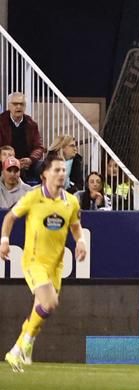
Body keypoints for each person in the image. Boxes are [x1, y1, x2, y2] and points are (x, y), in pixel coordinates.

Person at [0, 153, 86, 373]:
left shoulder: (71, 201)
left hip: (56, 265)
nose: (61, 174)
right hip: (34, 261)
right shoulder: (33, 197)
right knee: (49, 303)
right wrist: (4, 241)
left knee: (39, 312)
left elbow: (75, 226)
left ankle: (18, 348)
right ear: (44, 174)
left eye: (63, 170)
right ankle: (23, 345)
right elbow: (10, 217)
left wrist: (81, 241)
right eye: (56, 170)